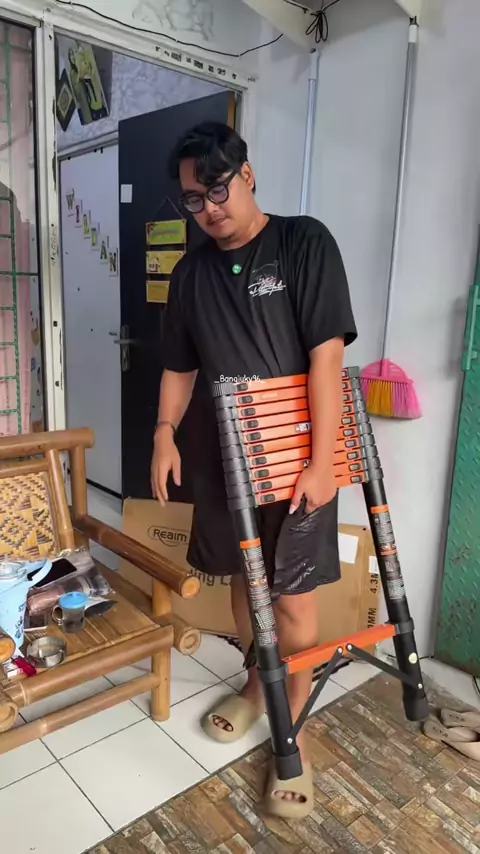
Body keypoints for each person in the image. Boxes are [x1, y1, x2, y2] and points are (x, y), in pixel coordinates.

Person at [151, 122, 357, 819]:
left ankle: (291, 719)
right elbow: (179, 366)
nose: (209, 208)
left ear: (247, 174)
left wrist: (322, 461)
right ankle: (256, 685)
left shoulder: (304, 243)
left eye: (218, 188)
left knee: (292, 596)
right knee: (245, 582)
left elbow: (327, 358)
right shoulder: (189, 275)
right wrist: (163, 435)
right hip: (223, 460)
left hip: (294, 457)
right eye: (193, 199)